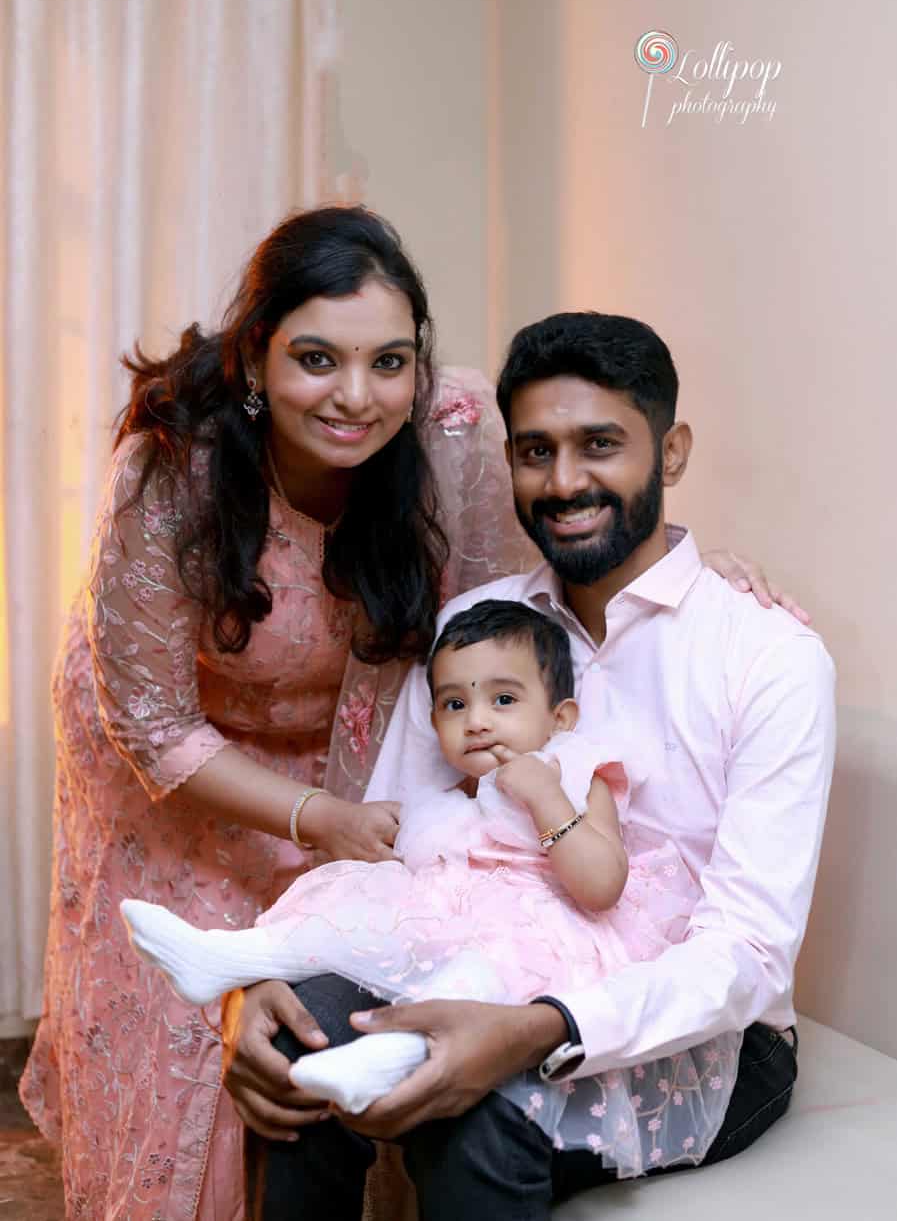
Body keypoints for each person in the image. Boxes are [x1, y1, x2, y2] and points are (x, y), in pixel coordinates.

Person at [18, 200, 796, 1221]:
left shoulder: (456, 437)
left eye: (390, 361)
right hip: (178, 758)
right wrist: (316, 858)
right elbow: (155, 723)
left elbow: (505, 620)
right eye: (316, 360)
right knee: (194, 1060)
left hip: (357, 761)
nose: (357, 396)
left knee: (349, 1042)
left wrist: (698, 571)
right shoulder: (174, 474)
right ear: (256, 359)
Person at [225, 311, 836, 1221]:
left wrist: (537, 1030)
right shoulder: (479, 621)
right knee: (300, 1037)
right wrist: (281, 970)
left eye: (599, 446)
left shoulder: (766, 655)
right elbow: (394, 843)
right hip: (473, 957)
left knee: (478, 1119)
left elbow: (745, 952)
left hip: (704, 1030)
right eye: (535, 451)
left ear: (670, 455)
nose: (563, 481)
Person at [121, 598, 739, 1180]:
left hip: (545, 942)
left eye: (502, 699)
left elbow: (601, 885)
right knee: (357, 907)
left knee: (473, 974)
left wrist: (546, 799)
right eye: (453, 705)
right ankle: (233, 958)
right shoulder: (451, 801)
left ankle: (382, 1059)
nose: (476, 722)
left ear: (560, 718)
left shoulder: (573, 772)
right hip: (452, 924)